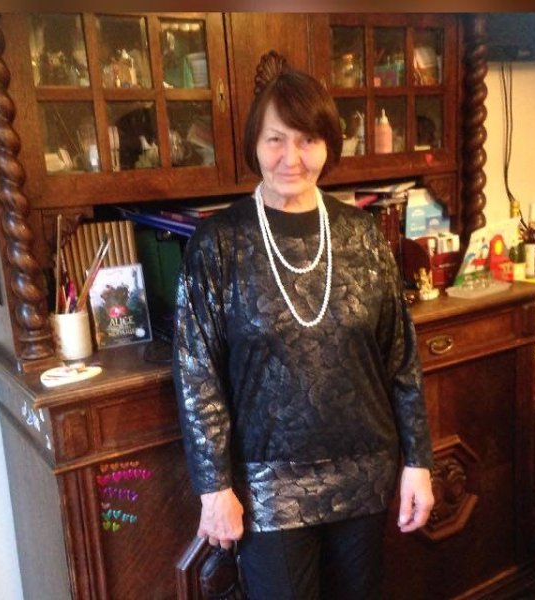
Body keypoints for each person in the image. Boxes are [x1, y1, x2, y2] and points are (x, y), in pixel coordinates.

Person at [173, 51, 434, 600]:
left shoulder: (363, 235)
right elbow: (197, 374)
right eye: (276, 139)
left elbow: (400, 359)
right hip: (268, 487)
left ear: (328, 145)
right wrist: (213, 487)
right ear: (254, 143)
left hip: (365, 474)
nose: (291, 157)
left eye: (307, 140)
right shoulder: (219, 244)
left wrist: (418, 462)